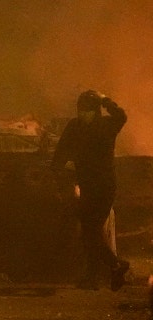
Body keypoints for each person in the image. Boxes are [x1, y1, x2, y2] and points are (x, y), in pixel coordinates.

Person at [51, 89, 129, 291]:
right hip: (87, 186)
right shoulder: (75, 127)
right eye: (80, 110)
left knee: (91, 230)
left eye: (87, 110)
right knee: (90, 231)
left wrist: (105, 99)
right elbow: (60, 154)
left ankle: (114, 266)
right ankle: (100, 274)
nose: (82, 114)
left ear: (96, 111)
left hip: (103, 186)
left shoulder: (106, 126)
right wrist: (61, 167)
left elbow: (121, 116)